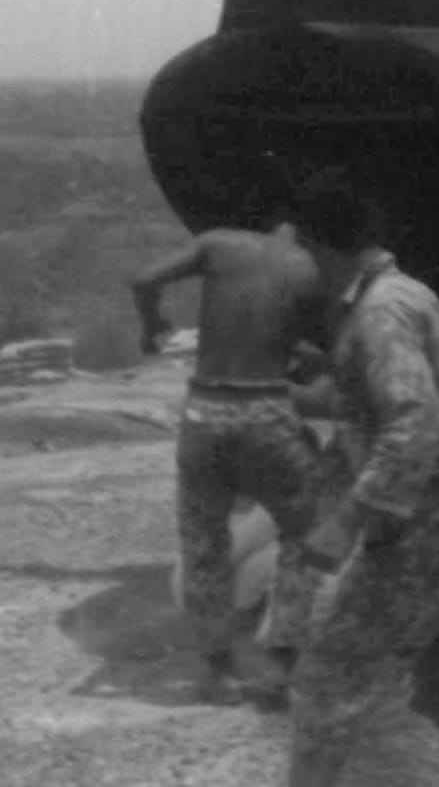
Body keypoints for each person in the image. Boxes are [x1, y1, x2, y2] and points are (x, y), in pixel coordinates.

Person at [290, 169, 439, 787]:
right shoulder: (406, 294)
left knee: (329, 677)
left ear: (321, 243)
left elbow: (413, 424)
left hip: (431, 519)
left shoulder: (380, 313)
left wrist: (345, 522)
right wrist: (333, 380)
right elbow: (411, 403)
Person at [131, 214, 324, 706]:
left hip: (205, 412)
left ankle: (220, 674)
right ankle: (281, 666)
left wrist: (153, 326)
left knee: (202, 544)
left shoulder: (217, 244)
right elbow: (318, 348)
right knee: (304, 535)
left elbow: (144, 279)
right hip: (269, 414)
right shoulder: (310, 270)